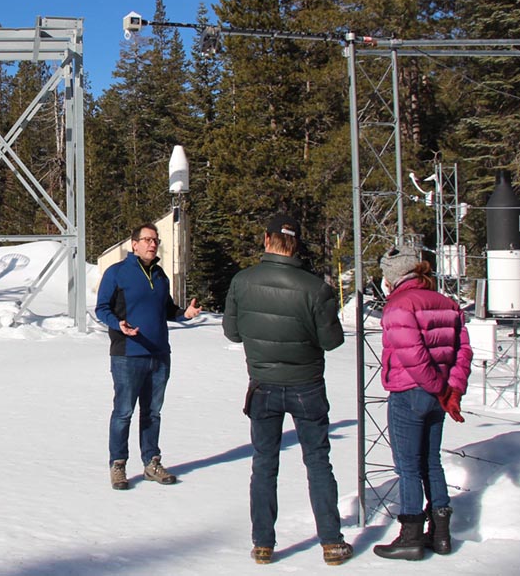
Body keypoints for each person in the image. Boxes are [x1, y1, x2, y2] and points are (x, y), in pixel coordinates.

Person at [222, 214, 353, 566]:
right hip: (306, 385)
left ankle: (263, 544)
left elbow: (233, 333)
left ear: (267, 240)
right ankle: (331, 542)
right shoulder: (315, 288)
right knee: (318, 463)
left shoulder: (242, 281)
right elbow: (332, 340)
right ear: (295, 244)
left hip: (263, 384)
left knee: (264, 464)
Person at [373, 245, 472, 560]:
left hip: (410, 392)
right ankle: (441, 534)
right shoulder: (446, 303)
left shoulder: (399, 306)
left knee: (408, 467)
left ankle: (411, 534)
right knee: (431, 461)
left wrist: (440, 389)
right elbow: (463, 350)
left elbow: (412, 356)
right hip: (437, 397)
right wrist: (451, 389)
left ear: (393, 276)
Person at [96, 222, 201, 490]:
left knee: (152, 413)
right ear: (134, 244)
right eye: (147, 240)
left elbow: (166, 309)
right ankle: (118, 464)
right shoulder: (117, 273)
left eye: (155, 240)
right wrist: (117, 324)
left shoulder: (160, 275)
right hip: (128, 355)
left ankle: (151, 462)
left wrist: (184, 315)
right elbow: (102, 308)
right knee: (123, 412)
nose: (152, 244)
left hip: (159, 354)